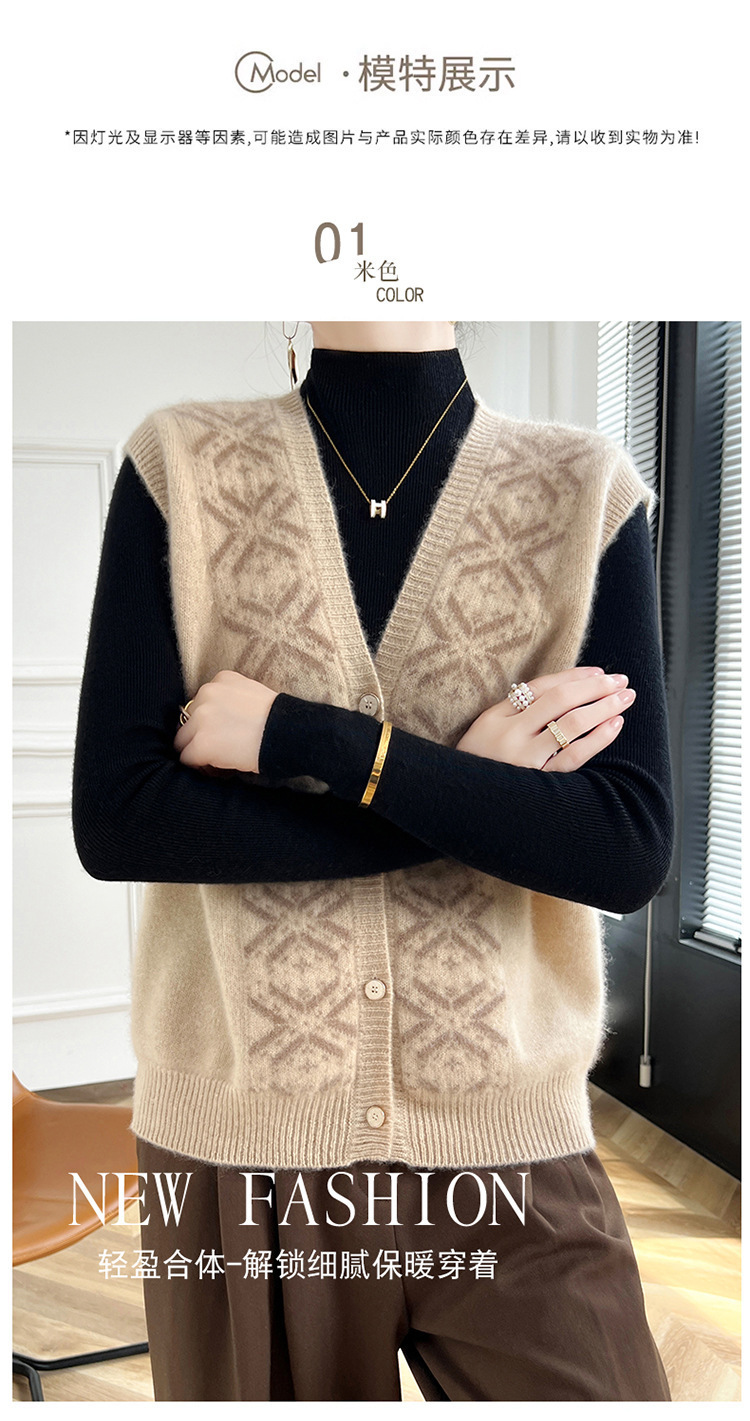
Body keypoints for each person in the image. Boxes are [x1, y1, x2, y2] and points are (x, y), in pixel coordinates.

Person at [72, 321, 674, 1401]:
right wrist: (471, 790)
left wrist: (309, 739)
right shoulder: (182, 465)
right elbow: (120, 820)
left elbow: (625, 846)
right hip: (241, 1147)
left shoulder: (584, 490)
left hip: (510, 1140)